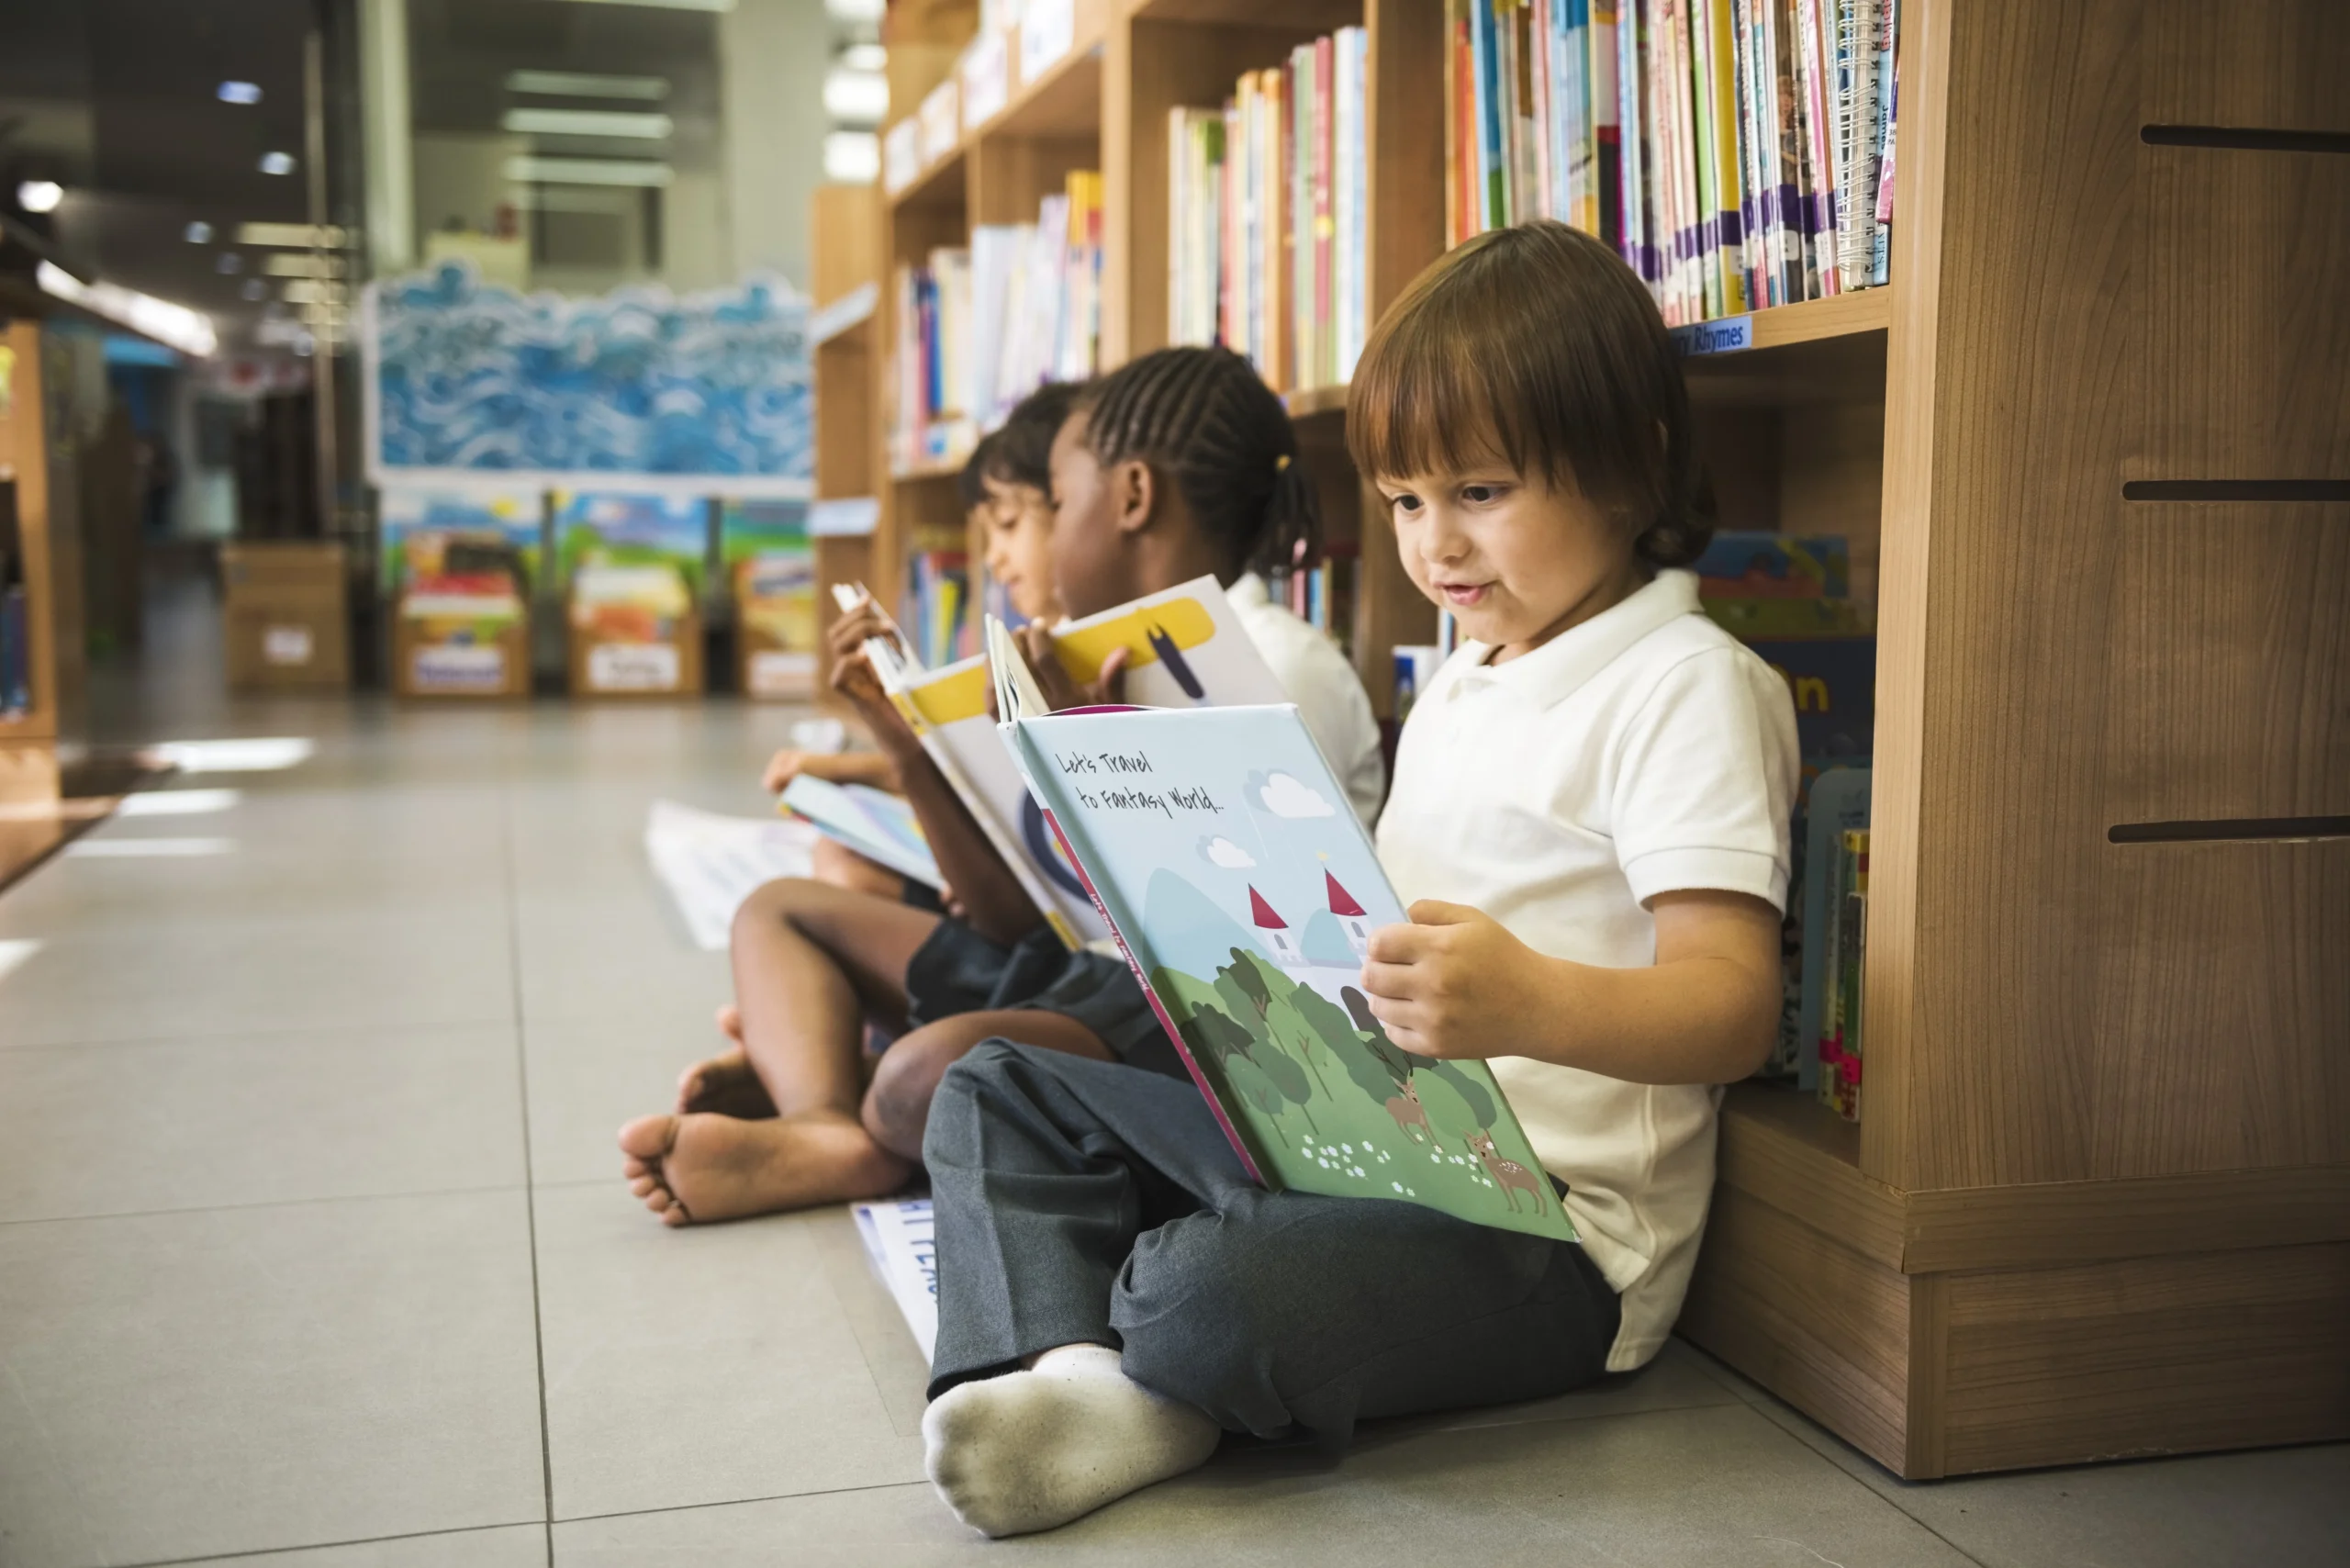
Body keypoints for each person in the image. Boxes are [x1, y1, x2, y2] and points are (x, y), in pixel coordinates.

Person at [914, 219, 1800, 1538]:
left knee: (1211, 1284)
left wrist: (1529, 1004)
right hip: (1367, 1144)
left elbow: (1733, 1009)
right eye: (1402, 502)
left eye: (1482, 493)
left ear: (1630, 464)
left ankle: (1133, 1365)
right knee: (994, 1086)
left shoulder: (1688, 686)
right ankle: (1070, 1378)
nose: (1436, 545)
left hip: (1549, 1239)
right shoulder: (1460, 676)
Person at [619, 354, 1383, 1225]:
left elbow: (1243, 949)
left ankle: (854, 1107)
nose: (1045, 541)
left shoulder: (1274, 664)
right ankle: (825, 1124)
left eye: (1056, 502)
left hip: (1201, 1023)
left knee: (922, 1075)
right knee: (776, 912)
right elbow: (1016, 924)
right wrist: (908, 746)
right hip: (1086, 972)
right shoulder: (1092, 650)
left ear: (1131, 497)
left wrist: (1084, 754)